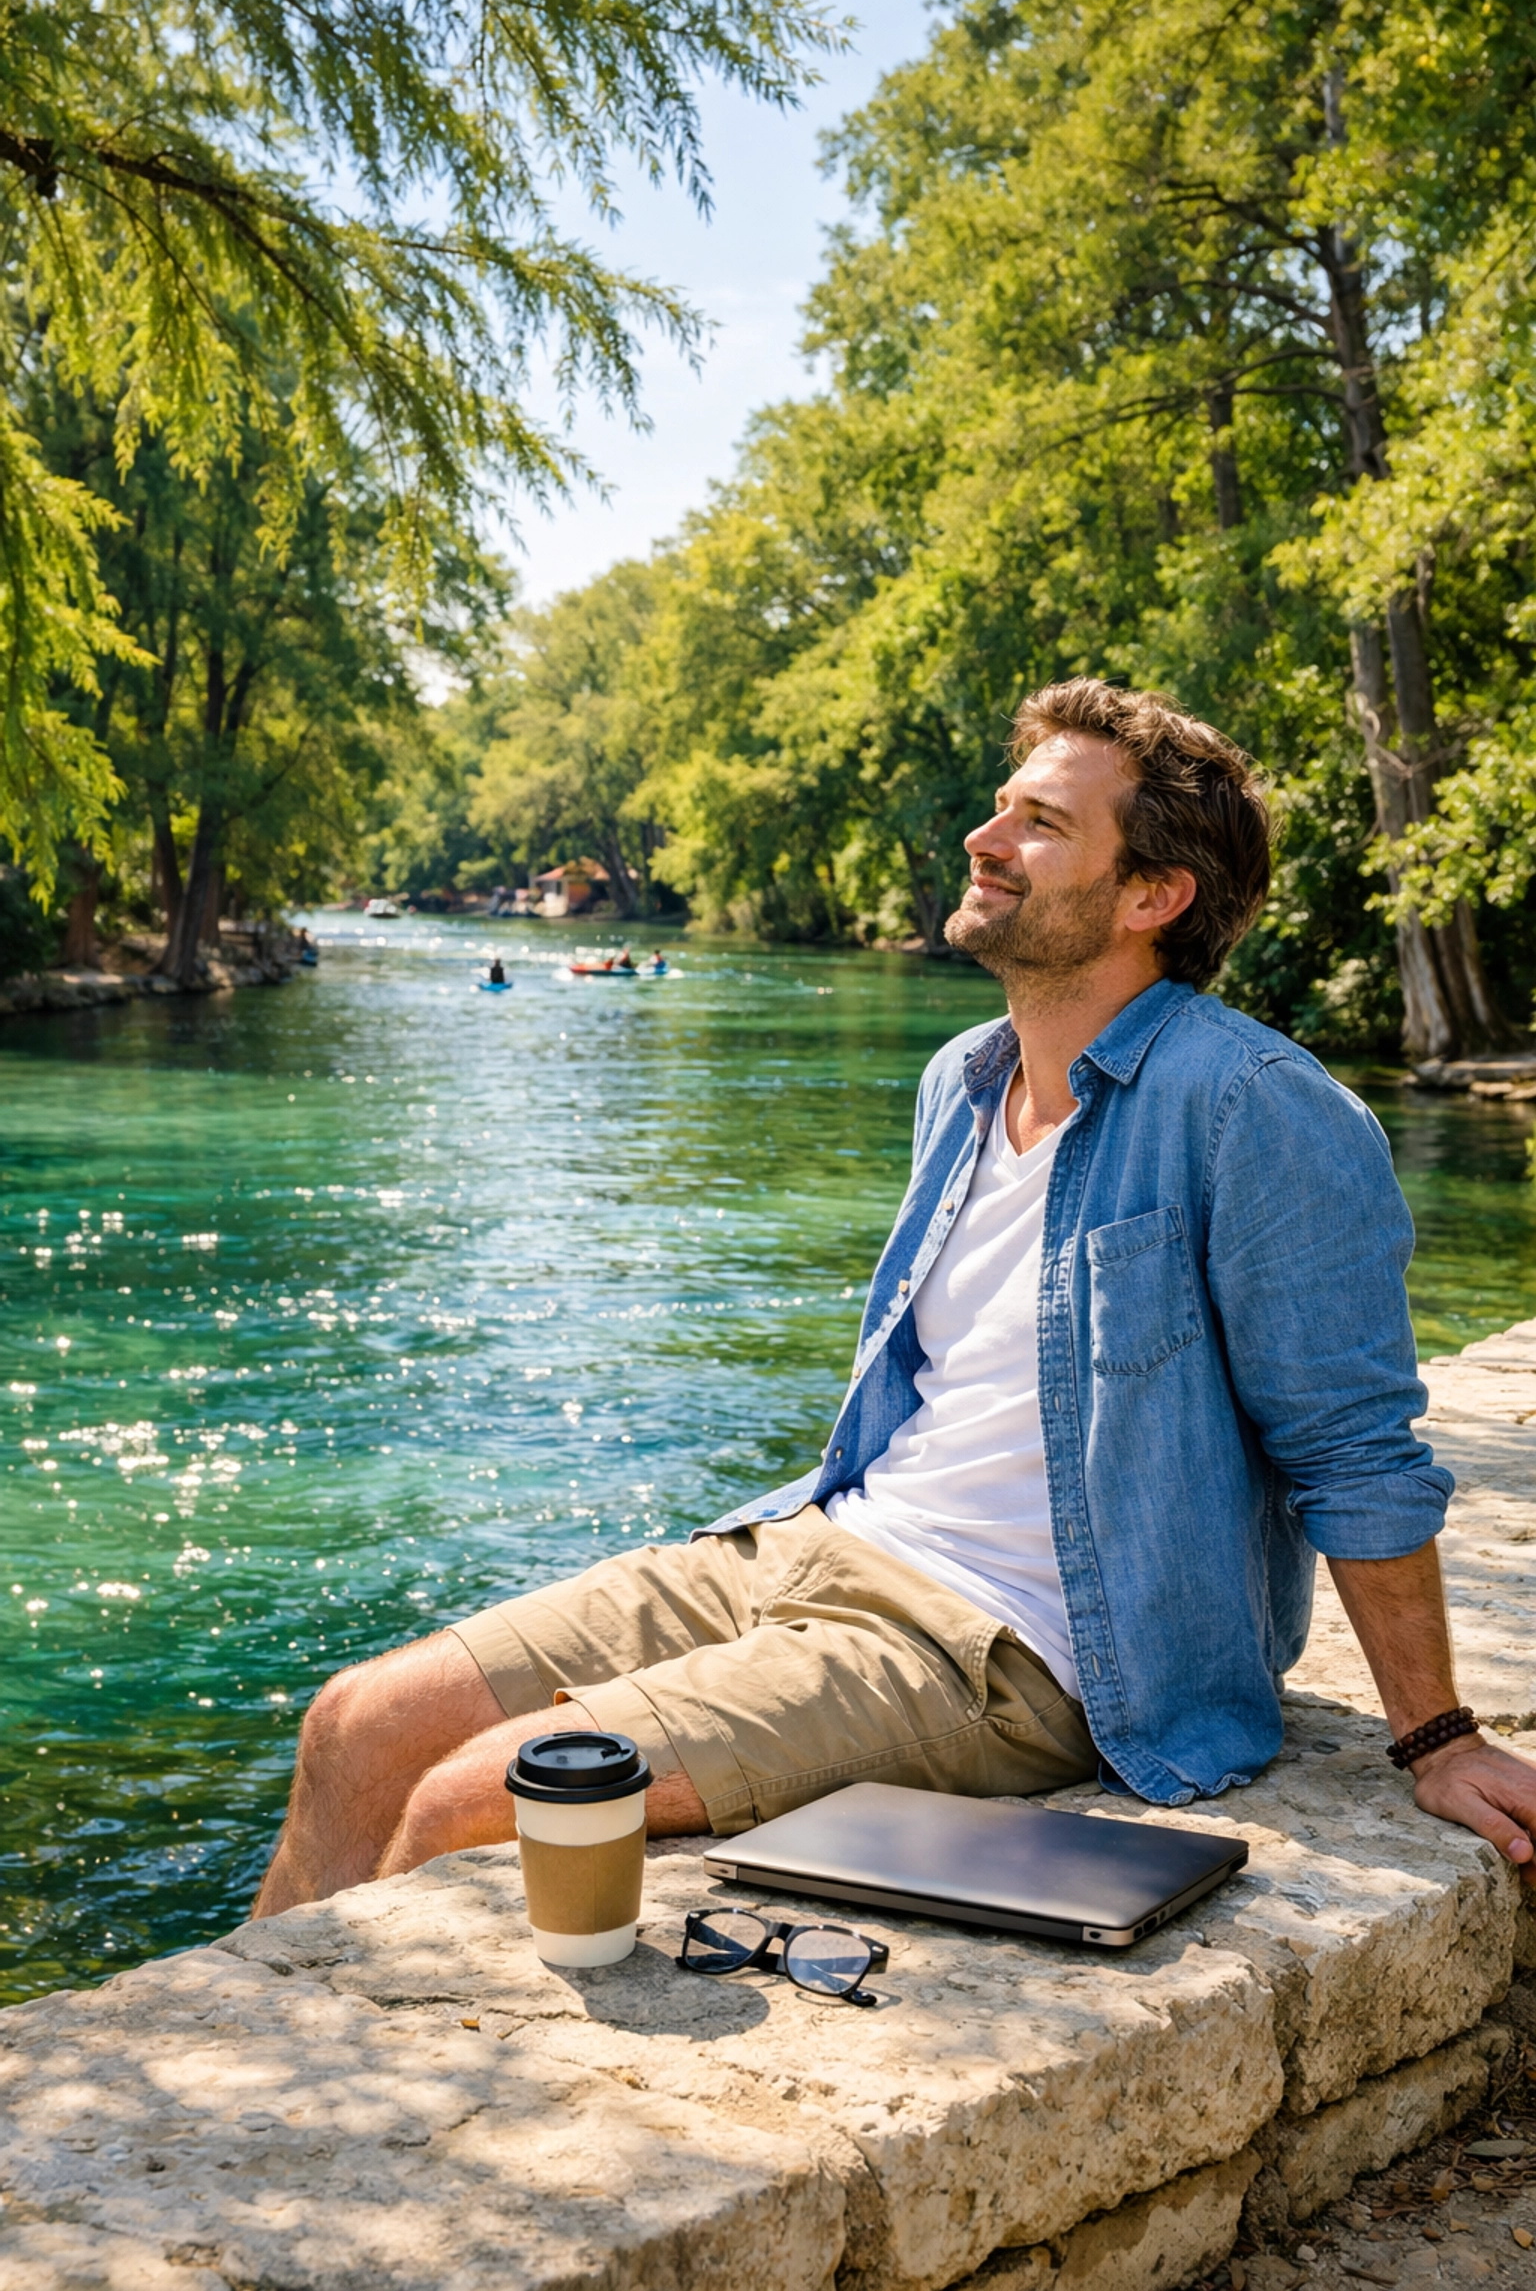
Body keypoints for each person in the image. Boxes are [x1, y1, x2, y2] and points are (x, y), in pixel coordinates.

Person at [251, 677, 1536, 1918]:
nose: (984, 841)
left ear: (1153, 893)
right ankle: (270, 2102)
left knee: (478, 1802)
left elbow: (1351, 1447)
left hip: (1017, 1648)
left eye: (1041, 824)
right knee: (358, 1726)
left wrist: (1435, 1737)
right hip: (823, 1542)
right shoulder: (962, 1082)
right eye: (1001, 806)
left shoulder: (1258, 1111)